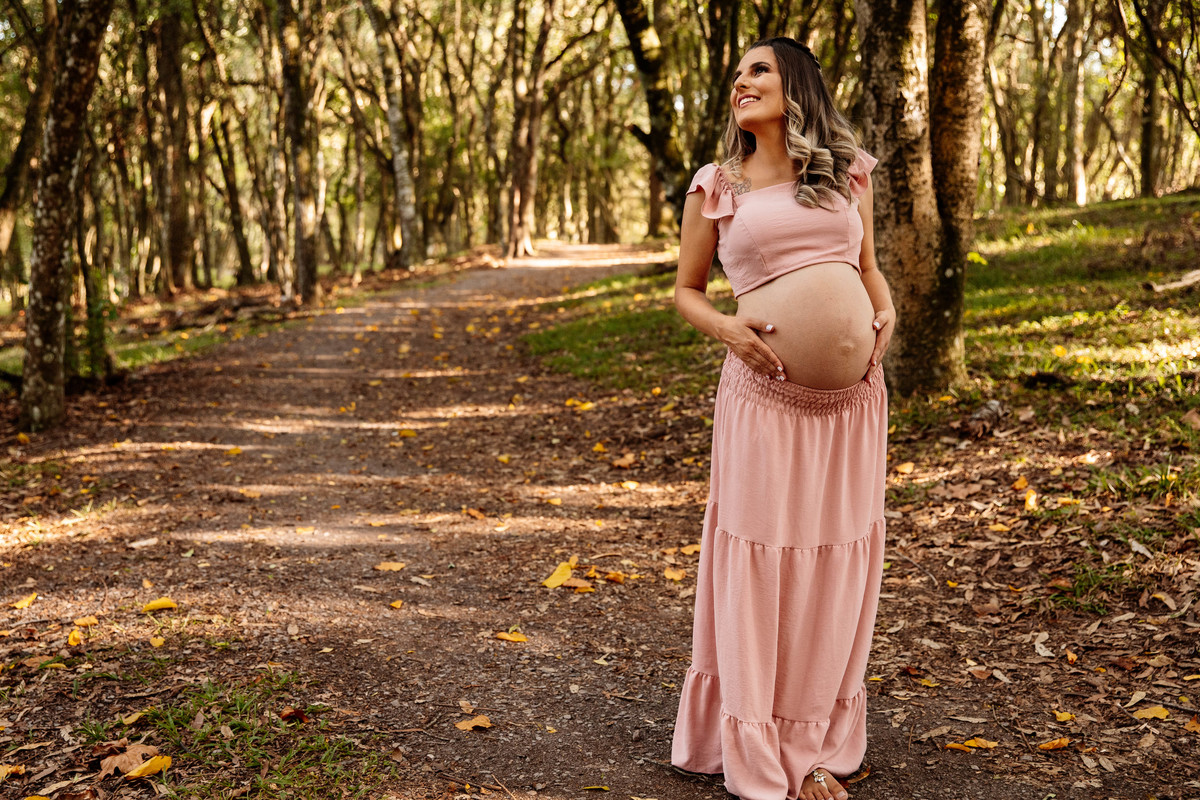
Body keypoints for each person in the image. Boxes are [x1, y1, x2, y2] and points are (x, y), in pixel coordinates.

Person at [669, 37, 896, 800]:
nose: (741, 82)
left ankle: (819, 741)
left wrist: (885, 306)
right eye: (736, 74)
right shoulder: (717, 185)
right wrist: (729, 329)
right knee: (764, 559)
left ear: (795, 83)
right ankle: (760, 743)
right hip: (765, 401)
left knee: (837, 562)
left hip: (852, 407)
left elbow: (864, 269)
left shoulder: (848, 172)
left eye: (757, 70)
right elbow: (688, 291)